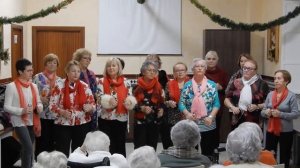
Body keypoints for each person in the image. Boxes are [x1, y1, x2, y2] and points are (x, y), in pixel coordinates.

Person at [49, 60, 96, 156]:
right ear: (67, 72)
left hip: (82, 124)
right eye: (73, 71)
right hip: (63, 124)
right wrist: (61, 112)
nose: (76, 73)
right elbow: (52, 106)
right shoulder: (59, 86)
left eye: (78, 71)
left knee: (80, 153)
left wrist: (90, 107)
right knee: (61, 153)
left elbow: (93, 105)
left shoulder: (84, 86)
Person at [4, 58, 43, 168]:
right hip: (19, 121)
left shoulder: (33, 86)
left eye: (32, 70)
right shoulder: (11, 86)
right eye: (28, 70)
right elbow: (6, 107)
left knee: (27, 149)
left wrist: (39, 107)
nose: (32, 72)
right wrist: (22, 110)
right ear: (20, 71)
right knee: (29, 147)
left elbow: (39, 102)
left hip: (32, 120)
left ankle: (28, 166)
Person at [178, 58, 220, 157]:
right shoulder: (187, 85)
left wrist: (211, 117)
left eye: (202, 66)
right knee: (191, 152)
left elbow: (217, 104)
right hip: (191, 123)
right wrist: (187, 114)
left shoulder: (212, 85)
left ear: (205, 69)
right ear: (193, 69)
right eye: (197, 66)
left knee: (208, 152)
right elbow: (181, 103)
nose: (200, 68)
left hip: (208, 123)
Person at [97, 57, 136, 156]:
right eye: (109, 66)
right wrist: (107, 100)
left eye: (114, 65)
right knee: (107, 144)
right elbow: (99, 97)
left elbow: (130, 96)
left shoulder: (126, 81)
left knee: (120, 143)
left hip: (121, 117)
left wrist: (129, 102)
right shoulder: (101, 81)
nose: (111, 68)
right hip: (105, 118)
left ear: (119, 67)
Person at [262, 70, 300, 168]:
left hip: (285, 130)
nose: (276, 81)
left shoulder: (291, 96)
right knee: (269, 154)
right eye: (275, 78)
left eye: (279, 78)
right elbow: (263, 110)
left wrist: (280, 114)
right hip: (271, 129)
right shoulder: (270, 94)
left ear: (286, 81)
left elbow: (296, 114)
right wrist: (266, 112)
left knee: (284, 156)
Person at [224, 60, 269, 130]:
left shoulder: (262, 84)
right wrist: (232, 107)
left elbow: (268, 102)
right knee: (237, 139)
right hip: (237, 118)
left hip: (254, 119)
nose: (246, 70)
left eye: (249, 69)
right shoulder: (236, 82)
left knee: (252, 139)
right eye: (244, 68)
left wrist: (257, 106)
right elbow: (227, 99)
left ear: (255, 70)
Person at [33, 53, 62, 158]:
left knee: (53, 141)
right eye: (49, 62)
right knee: (41, 141)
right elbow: (31, 94)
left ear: (57, 65)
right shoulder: (37, 77)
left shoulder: (60, 80)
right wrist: (40, 98)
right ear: (45, 64)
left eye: (54, 63)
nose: (52, 65)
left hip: (54, 115)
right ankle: (40, 163)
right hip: (42, 115)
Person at [133, 60, 164, 150]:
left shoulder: (158, 86)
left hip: (154, 121)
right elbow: (131, 104)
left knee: (152, 147)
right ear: (143, 72)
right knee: (140, 147)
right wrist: (141, 108)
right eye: (149, 70)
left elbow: (162, 102)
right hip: (140, 121)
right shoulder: (136, 86)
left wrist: (162, 109)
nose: (152, 72)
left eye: (154, 70)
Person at [161, 62, 190, 149]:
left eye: (182, 70)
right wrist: (168, 103)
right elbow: (164, 101)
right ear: (174, 73)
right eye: (177, 70)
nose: (180, 72)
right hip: (173, 117)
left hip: (188, 116)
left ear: (186, 72)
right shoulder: (169, 84)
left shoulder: (191, 83)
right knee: (175, 141)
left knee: (188, 140)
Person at [204, 50, 228, 147]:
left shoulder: (223, 73)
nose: (211, 61)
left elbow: (227, 90)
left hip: (217, 105)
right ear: (205, 60)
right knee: (205, 129)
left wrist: (221, 88)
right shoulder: (202, 72)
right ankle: (206, 151)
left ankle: (215, 151)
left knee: (216, 128)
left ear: (217, 60)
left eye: (213, 59)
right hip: (204, 106)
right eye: (208, 59)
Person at [73, 48, 98, 130]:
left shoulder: (91, 73)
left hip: (91, 107)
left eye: (89, 59)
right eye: (85, 58)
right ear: (78, 59)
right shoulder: (74, 73)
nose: (88, 60)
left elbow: (95, 90)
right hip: (79, 109)